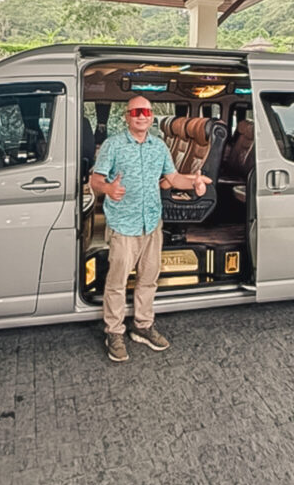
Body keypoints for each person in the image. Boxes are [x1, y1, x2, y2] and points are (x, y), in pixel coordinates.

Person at [90, 96, 212, 362]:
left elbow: (173, 178)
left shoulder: (159, 147)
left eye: (146, 111)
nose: (141, 116)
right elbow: (95, 180)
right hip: (124, 224)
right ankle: (114, 331)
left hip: (152, 224)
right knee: (117, 283)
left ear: (151, 115)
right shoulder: (113, 145)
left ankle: (142, 326)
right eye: (136, 112)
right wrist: (109, 188)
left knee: (148, 279)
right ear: (127, 116)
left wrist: (195, 183)